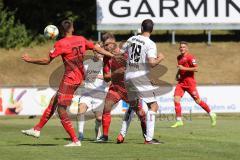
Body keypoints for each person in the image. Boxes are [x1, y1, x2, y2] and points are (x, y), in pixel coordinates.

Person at [21, 19, 113, 147]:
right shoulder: (81, 39)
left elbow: (46, 60)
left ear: (60, 31)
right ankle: (37, 129)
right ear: (72, 28)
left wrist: (30, 60)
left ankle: (75, 140)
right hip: (77, 77)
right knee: (54, 101)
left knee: (61, 110)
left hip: (70, 79)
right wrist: (111, 55)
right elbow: (97, 48)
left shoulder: (60, 43)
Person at [96, 33, 146, 143]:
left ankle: (147, 135)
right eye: (104, 45)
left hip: (130, 89)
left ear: (114, 42)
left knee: (141, 113)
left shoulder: (126, 53)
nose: (106, 47)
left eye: (107, 44)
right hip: (115, 88)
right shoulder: (106, 58)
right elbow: (106, 78)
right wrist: (116, 73)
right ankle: (104, 136)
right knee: (107, 107)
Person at [120, 19, 164, 144]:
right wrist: (160, 58)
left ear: (141, 27)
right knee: (153, 106)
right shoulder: (150, 43)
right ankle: (149, 139)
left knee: (133, 107)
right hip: (139, 77)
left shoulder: (131, 39)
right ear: (152, 29)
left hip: (128, 76)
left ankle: (121, 134)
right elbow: (152, 63)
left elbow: (121, 53)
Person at [171, 41, 217, 128]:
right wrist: (177, 74)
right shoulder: (179, 57)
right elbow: (180, 68)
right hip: (181, 83)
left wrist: (183, 68)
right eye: (181, 47)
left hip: (190, 83)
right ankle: (179, 121)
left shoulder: (190, 57)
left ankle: (212, 114)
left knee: (198, 101)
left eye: (184, 47)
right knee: (176, 99)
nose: (182, 48)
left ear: (187, 48)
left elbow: (196, 68)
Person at [77, 47, 108, 141]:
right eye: (96, 51)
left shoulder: (106, 63)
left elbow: (110, 79)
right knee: (80, 111)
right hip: (87, 92)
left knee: (99, 118)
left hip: (100, 93)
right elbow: (81, 77)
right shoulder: (86, 63)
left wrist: (98, 76)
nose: (99, 52)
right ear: (94, 52)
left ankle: (97, 132)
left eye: (100, 50)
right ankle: (80, 135)